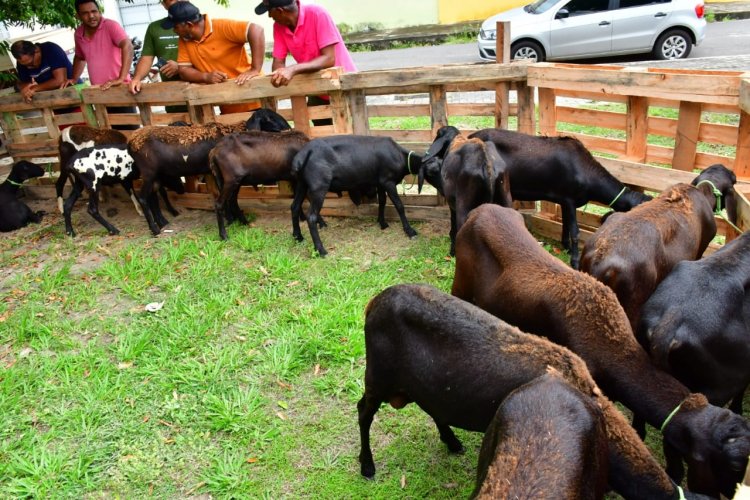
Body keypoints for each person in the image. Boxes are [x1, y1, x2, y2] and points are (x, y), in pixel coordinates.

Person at [255, 0, 356, 125]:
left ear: (280, 11)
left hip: (343, 85)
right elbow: (278, 61)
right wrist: (278, 74)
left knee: (351, 137)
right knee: (322, 135)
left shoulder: (317, 13)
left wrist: (293, 69)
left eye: (269, 11)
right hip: (317, 89)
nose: (269, 16)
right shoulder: (279, 26)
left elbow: (329, 58)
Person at [162, 2, 264, 114]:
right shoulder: (184, 39)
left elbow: (256, 30)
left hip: (254, 98)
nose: (174, 31)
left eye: (176, 27)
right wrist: (206, 77)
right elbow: (184, 70)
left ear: (189, 25)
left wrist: (255, 69)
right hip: (227, 105)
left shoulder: (221, 26)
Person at [66, 0, 137, 129]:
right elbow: (80, 57)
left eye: (94, 11)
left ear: (99, 11)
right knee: (109, 136)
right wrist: (74, 78)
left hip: (120, 90)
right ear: (78, 16)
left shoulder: (111, 26)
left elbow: (128, 46)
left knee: (131, 134)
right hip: (99, 92)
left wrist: (120, 79)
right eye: (86, 13)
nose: (91, 16)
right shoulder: (78, 33)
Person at [129, 0, 188, 113]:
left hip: (199, 91)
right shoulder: (154, 28)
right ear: (163, 4)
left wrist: (180, 67)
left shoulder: (198, 24)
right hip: (172, 97)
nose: (174, 2)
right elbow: (147, 57)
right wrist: (137, 78)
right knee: (176, 128)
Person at [11, 40, 78, 104]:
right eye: (24, 65)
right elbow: (22, 83)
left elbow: (60, 80)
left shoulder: (51, 49)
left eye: (30, 63)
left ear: (36, 51)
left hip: (74, 91)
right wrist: (25, 89)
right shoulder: (23, 61)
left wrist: (34, 88)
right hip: (51, 99)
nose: (29, 67)